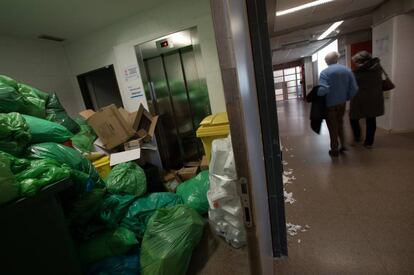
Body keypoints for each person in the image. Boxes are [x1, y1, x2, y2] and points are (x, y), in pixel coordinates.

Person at [317, 52, 358, 157]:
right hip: (342, 103)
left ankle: (334, 149)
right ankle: (343, 145)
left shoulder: (325, 73)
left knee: (332, 127)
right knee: (340, 124)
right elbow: (354, 88)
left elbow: (323, 90)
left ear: (327, 61)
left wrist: (317, 94)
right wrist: (346, 97)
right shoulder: (347, 70)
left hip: (329, 104)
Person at [349, 51, 384, 148]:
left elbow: (353, 85)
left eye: (355, 62)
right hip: (375, 97)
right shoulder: (377, 68)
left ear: (361, 61)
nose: (355, 64)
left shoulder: (358, 72)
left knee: (353, 118)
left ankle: (357, 137)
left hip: (360, 99)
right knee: (371, 119)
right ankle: (369, 142)